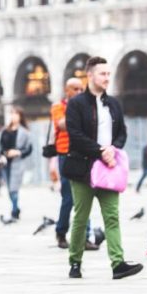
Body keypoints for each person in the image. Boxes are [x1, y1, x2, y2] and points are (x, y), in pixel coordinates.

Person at [65, 56, 143, 280]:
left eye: (109, 74)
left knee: (112, 216)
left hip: (108, 169)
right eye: (103, 74)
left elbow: (122, 132)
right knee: (81, 217)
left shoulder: (114, 104)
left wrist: (113, 149)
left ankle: (118, 264)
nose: (107, 78)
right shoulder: (77, 103)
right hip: (83, 168)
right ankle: (75, 262)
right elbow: (75, 134)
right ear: (90, 75)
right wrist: (100, 151)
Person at [51, 78, 85, 248]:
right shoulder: (58, 106)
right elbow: (62, 124)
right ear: (67, 90)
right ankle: (61, 232)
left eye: (81, 89)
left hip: (82, 154)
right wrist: (79, 114)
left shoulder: (84, 107)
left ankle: (85, 236)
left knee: (84, 196)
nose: (79, 92)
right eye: (75, 89)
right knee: (68, 197)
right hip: (65, 155)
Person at [0, 107, 32, 221]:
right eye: (12, 114)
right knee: (9, 189)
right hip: (5, 163)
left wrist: (18, 152)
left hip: (17, 164)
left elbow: (29, 149)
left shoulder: (25, 132)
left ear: (20, 117)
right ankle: (16, 208)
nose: (14, 116)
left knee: (13, 189)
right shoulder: (4, 130)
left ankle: (14, 211)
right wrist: (3, 154)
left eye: (16, 114)